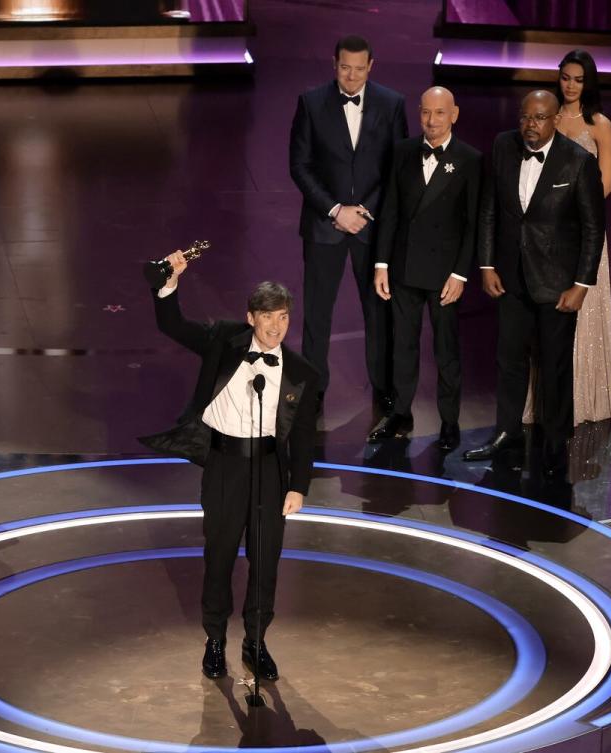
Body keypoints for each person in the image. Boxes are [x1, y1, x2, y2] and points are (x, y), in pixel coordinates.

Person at [140, 253, 318, 681]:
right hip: (224, 466)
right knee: (218, 557)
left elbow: (306, 434)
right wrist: (167, 285)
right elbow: (173, 326)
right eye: (267, 317)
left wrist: (299, 486)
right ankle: (215, 641)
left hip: (272, 474)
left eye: (283, 318)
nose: (275, 327)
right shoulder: (224, 340)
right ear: (250, 317)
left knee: (265, 562)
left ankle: (256, 642)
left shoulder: (302, 372)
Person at [463, 91, 605, 478]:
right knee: (508, 361)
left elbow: (594, 229)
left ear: (555, 119)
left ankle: (555, 444)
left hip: (557, 284)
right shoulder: (503, 146)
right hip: (511, 279)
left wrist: (581, 284)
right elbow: (489, 208)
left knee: (555, 365)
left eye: (539, 118)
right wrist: (488, 264)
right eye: (526, 117)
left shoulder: (579, 163)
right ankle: (506, 433)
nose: (530, 125)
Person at [289, 34, 408, 414]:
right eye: (345, 68)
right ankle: (313, 385)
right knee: (317, 311)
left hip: (371, 228)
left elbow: (396, 167)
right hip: (325, 226)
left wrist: (364, 211)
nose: (352, 77)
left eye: (359, 69)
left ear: (371, 66)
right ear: (333, 63)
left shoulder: (392, 105)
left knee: (377, 311)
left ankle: (383, 385)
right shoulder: (310, 103)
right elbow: (300, 166)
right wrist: (336, 210)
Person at [371, 87, 481, 451]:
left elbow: (472, 223)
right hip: (403, 268)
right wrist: (382, 263)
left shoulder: (469, 159)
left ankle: (449, 421)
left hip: (445, 275)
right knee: (402, 345)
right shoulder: (402, 151)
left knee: (446, 350)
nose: (431, 121)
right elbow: (389, 211)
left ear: (454, 115)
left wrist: (461, 274)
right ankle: (400, 413)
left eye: (439, 113)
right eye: (425, 113)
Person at [524, 49, 611, 426]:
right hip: (542, 238)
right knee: (547, 320)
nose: (570, 85)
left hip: (582, 231)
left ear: (589, 82)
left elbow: (606, 184)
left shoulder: (600, 125)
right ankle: (547, 401)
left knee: (581, 315)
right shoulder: (543, 116)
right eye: (566, 77)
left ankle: (582, 399)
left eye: (579, 79)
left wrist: (569, 215)